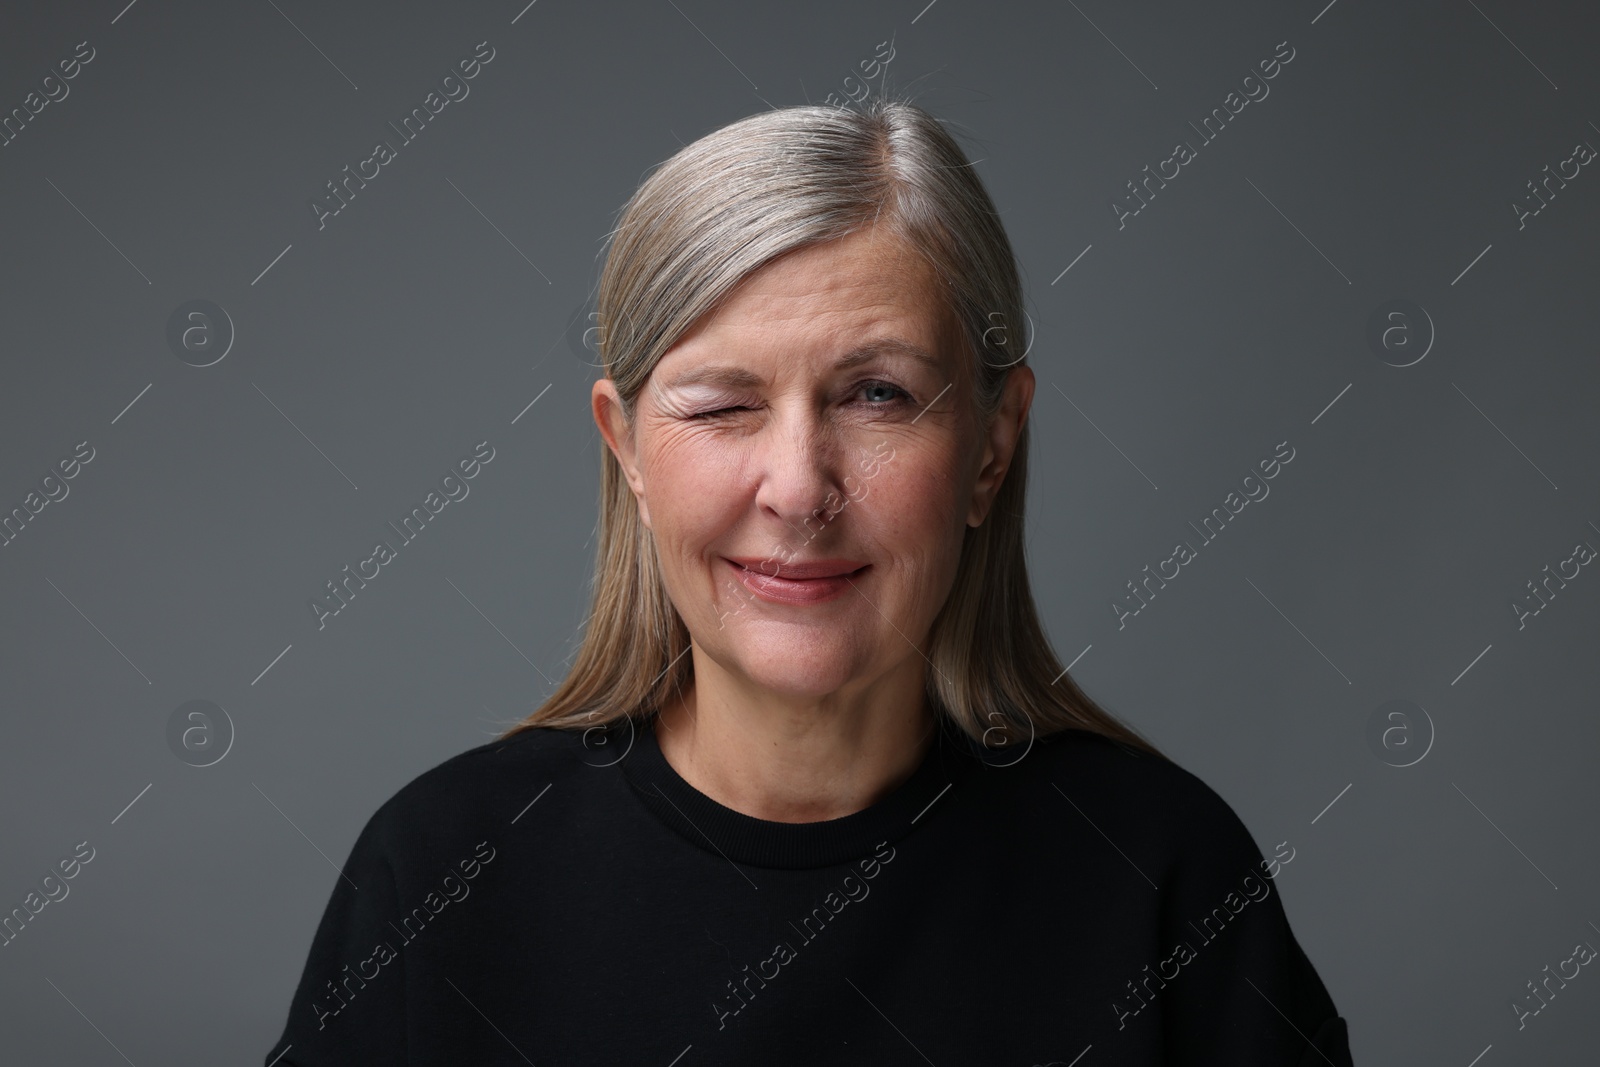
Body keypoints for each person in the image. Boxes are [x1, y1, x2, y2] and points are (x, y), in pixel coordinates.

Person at [264, 98, 1353, 1065]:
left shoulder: (1163, 878)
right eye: (723, 403)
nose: (797, 487)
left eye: (876, 395)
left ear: (989, 444)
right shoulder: (440, 872)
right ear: (628, 448)